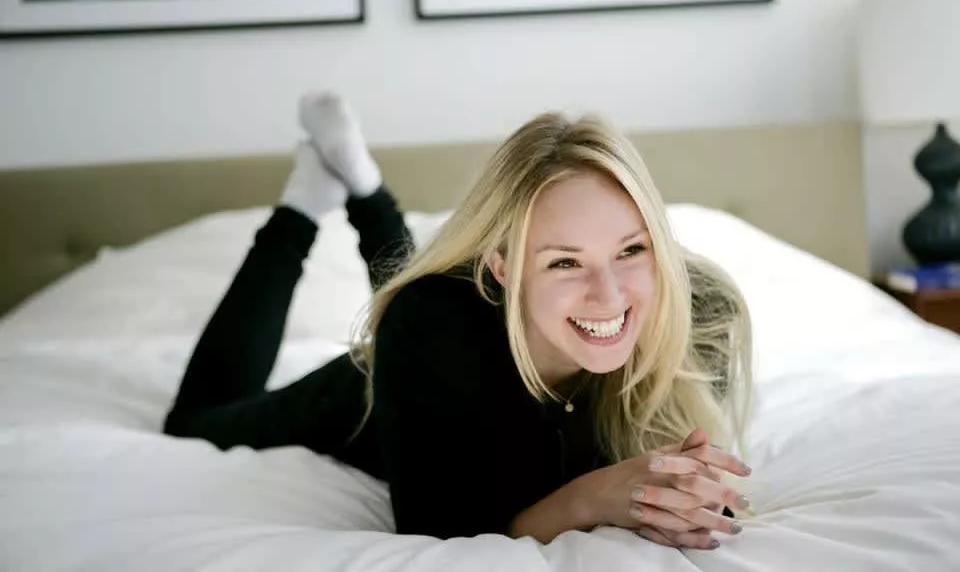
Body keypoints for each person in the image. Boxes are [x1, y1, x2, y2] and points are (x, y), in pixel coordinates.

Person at [163, 92, 755, 550]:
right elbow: (442, 530)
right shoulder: (433, 330)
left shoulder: (701, 312)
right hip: (378, 393)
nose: (609, 295)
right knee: (195, 420)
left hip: (447, 318)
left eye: (630, 250)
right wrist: (591, 498)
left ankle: (364, 185)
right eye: (565, 261)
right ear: (502, 268)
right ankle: (305, 202)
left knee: (425, 293)